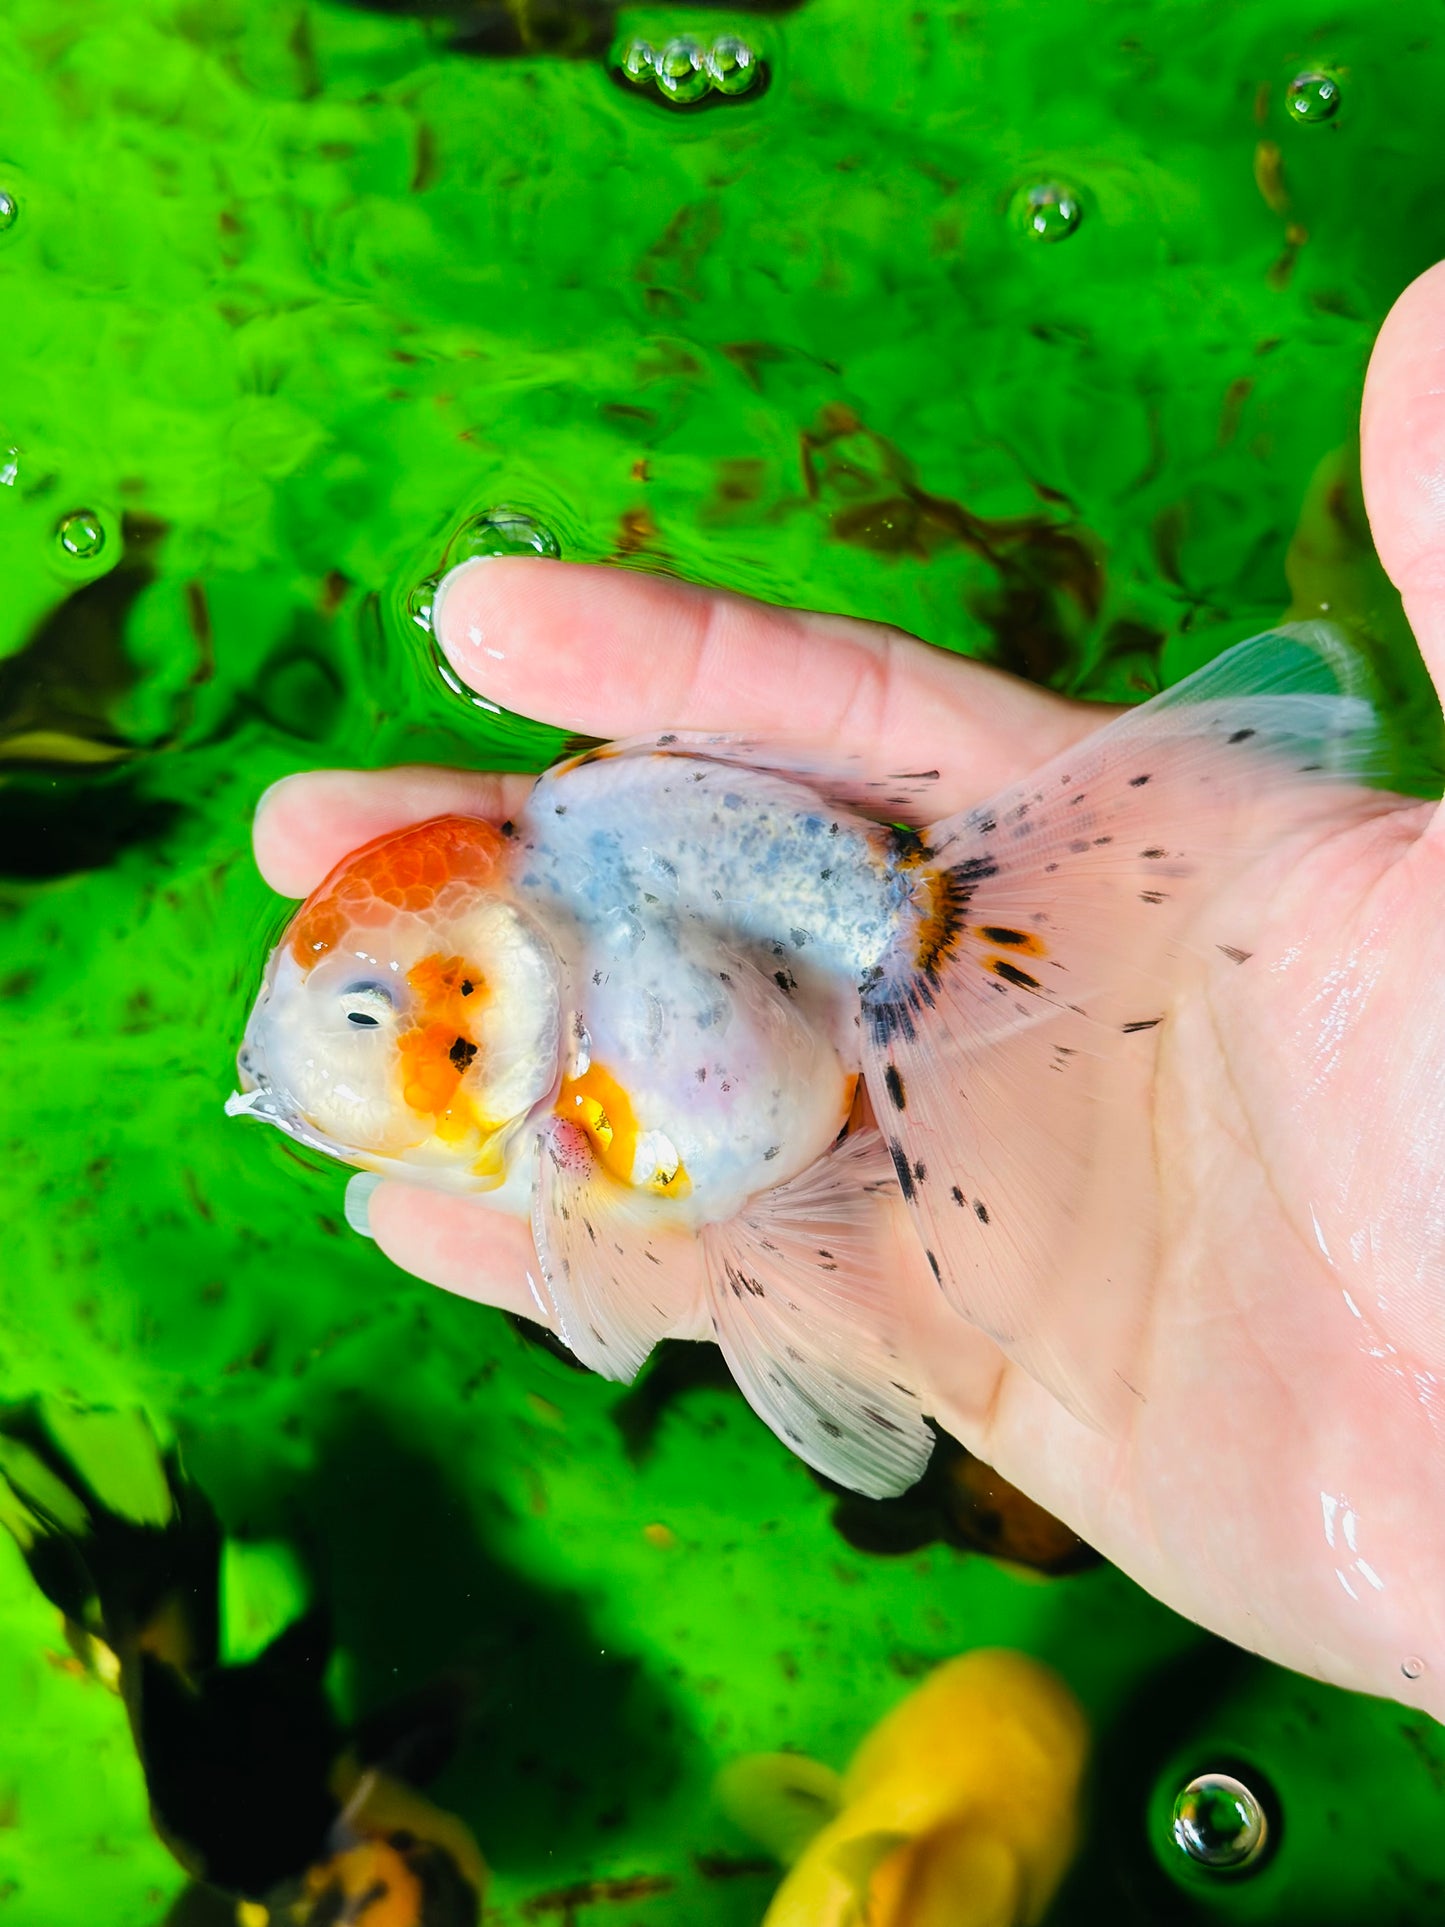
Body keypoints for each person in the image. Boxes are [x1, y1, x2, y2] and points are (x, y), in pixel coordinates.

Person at [253, 265, 1445, 1721]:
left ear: (460, 990)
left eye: (377, 1019)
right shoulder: (558, 963)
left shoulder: (574, 963)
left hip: (833, 973)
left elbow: (617, 1293)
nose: (354, 1060)